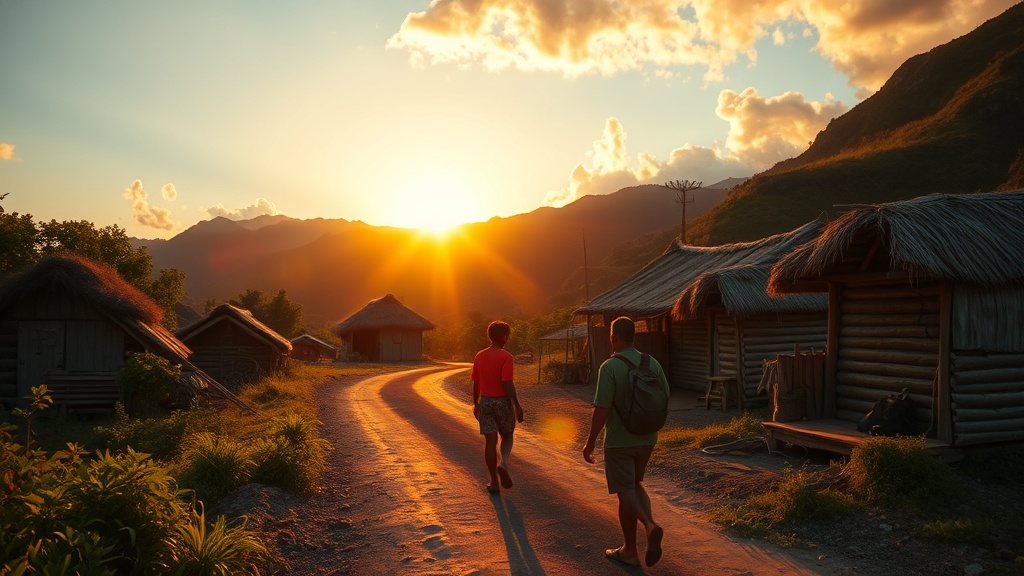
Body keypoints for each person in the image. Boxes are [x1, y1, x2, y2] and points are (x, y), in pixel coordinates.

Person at [582, 316, 669, 568]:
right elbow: (665, 397)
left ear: (614, 337)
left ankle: (648, 528)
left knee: (624, 490)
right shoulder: (652, 362)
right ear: (634, 336)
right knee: (635, 484)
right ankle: (630, 549)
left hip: (620, 440)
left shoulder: (610, 367)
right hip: (648, 437)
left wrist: (589, 443)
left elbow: (602, 408)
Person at [472, 320, 525, 494]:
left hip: (485, 401)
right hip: (502, 401)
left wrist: (475, 403)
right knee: (507, 435)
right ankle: (503, 464)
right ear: (503, 336)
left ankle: (494, 482)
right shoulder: (506, 357)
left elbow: (476, 382)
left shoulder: (479, 356)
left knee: (490, 442)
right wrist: (516, 404)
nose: (508, 338)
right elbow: (507, 382)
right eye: (507, 334)